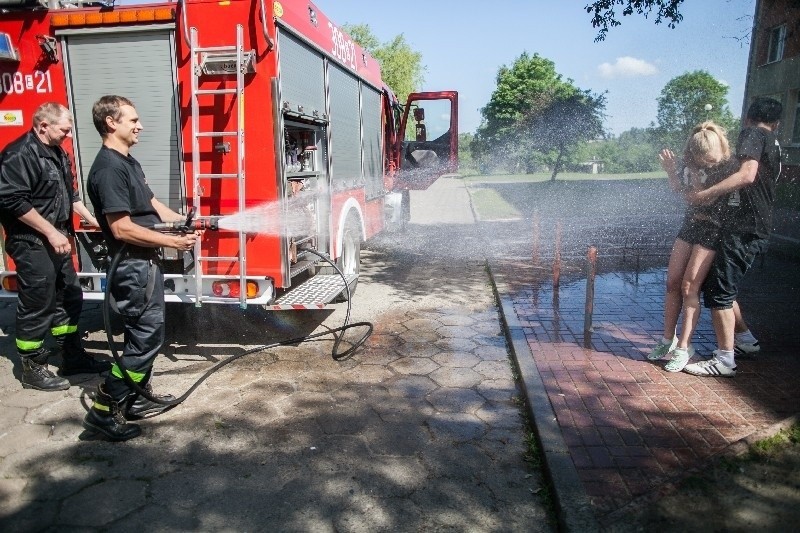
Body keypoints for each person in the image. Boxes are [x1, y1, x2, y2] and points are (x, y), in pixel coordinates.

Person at [82, 95, 198, 441]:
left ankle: (132, 400)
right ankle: (105, 409)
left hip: (145, 263)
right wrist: (173, 243)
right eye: (132, 120)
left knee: (142, 336)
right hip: (132, 267)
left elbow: (150, 204)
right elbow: (121, 228)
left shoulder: (127, 162)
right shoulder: (107, 169)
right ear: (110, 123)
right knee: (146, 339)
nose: (140, 125)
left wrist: (182, 221)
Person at [0, 102, 109, 391]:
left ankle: (71, 356)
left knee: (69, 296)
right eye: (65, 129)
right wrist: (51, 233)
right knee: (38, 301)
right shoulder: (18, 155)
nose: (69, 135)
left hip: (56, 237)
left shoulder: (58, 152)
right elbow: (13, 202)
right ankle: (31, 366)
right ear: (42, 126)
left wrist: (92, 220)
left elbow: (71, 195)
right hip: (31, 241)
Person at [682, 97, 783, 378]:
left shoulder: (753, 134)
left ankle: (725, 360)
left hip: (744, 228)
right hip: (753, 226)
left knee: (720, 293)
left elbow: (747, 175)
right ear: (777, 123)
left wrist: (705, 194)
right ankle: (745, 340)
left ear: (749, 119)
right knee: (720, 286)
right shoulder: (772, 141)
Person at [648, 122, 740, 372]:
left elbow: (700, 197)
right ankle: (668, 340)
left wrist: (699, 184)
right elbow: (681, 192)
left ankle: (685, 347)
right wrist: (671, 171)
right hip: (690, 225)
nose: (707, 164)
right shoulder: (692, 162)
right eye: (702, 159)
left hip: (712, 229)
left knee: (690, 286)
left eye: (710, 160)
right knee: (672, 281)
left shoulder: (728, 166)